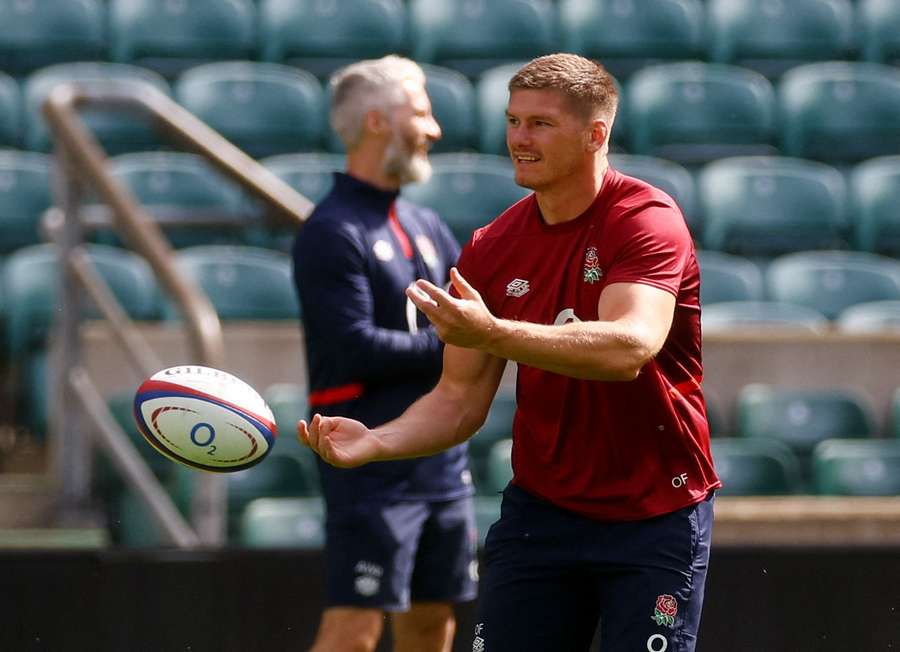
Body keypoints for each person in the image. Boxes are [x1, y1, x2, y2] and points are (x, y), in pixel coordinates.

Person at [299, 53, 721, 652]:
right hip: (542, 516)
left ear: (595, 133)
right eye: (513, 121)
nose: (518, 139)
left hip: (654, 514)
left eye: (540, 124)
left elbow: (631, 346)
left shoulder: (644, 218)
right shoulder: (493, 246)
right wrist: (378, 441)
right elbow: (458, 399)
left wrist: (493, 331)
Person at [291, 55, 477, 652]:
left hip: (442, 459)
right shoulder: (331, 229)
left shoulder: (425, 220)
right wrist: (461, 339)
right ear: (377, 122)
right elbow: (352, 349)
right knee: (355, 628)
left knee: (432, 623)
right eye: (420, 112)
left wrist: (476, 334)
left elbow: (467, 320)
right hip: (366, 458)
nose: (434, 129)